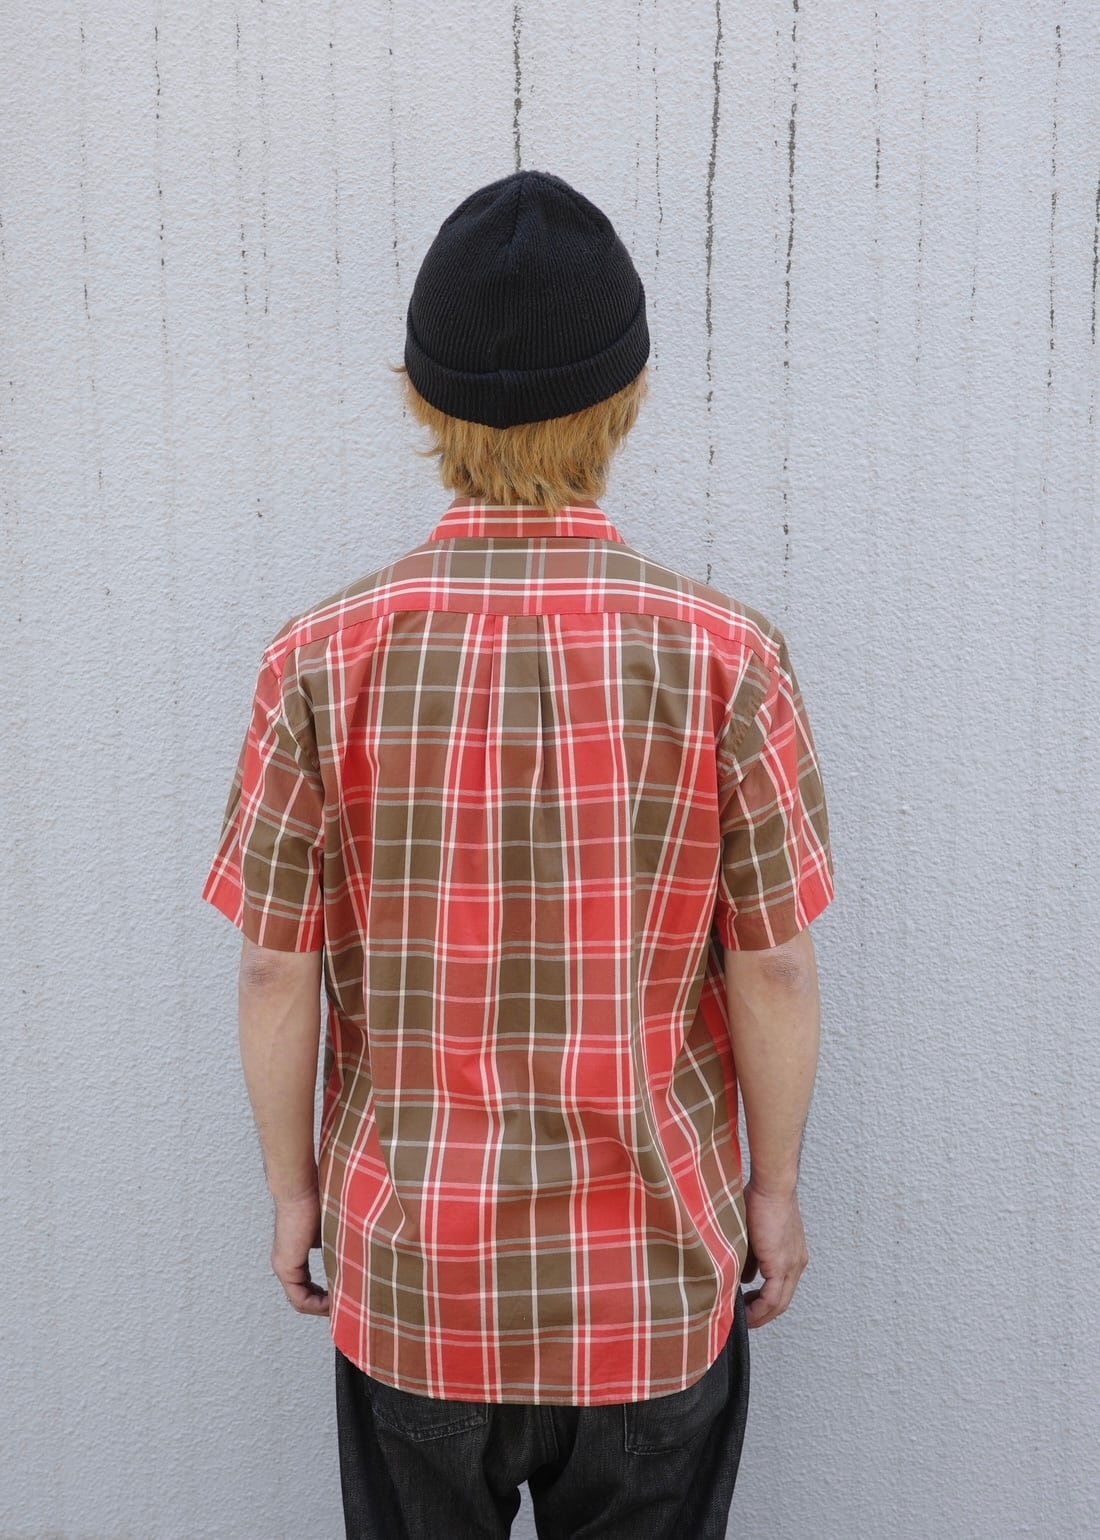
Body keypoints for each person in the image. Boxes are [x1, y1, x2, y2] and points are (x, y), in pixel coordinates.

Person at [203, 170, 834, 1540]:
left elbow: (272, 967)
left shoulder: (318, 660)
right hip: (652, 1282)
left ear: (423, 399)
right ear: (630, 394)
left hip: (417, 1283)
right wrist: (775, 1195)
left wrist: (294, 1193)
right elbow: (775, 964)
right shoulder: (729, 659)